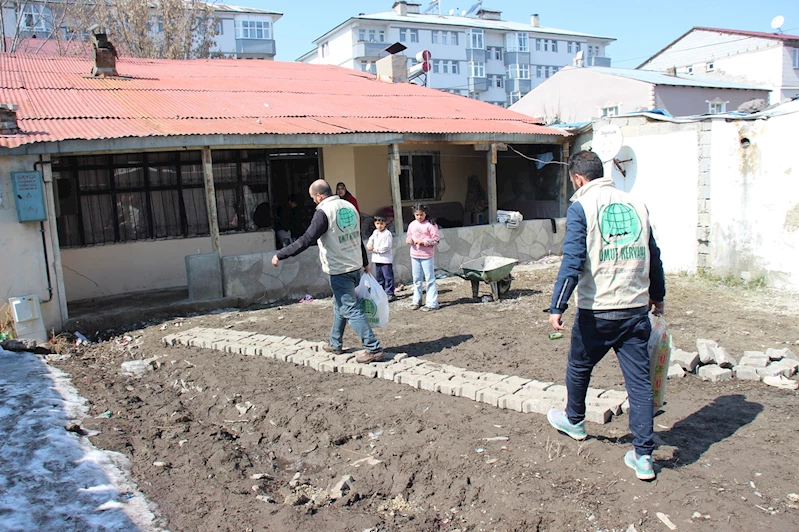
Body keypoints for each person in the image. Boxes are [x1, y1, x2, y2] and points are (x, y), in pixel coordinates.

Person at [546, 150, 665, 482]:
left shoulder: (582, 207)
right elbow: (653, 254)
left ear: (578, 179)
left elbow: (572, 261)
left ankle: (574, 420)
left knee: (579, 365)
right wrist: (658, 295)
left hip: (598, 311)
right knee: (639, 383)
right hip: (635, 310)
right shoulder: (637, 205)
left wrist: (557, 306)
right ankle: (643, 457)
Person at [271, 179, 384, 363]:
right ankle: (335, 342)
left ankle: (373, 348)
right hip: (354, 265)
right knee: (340, 305)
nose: (313, 201)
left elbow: (307, 239)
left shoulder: (323, 212)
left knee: (349, 307)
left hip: (340, 269)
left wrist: (281, 254)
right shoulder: (349, 206)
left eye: (313, 197)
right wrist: (365, 262)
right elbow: (355, 236)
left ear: (319, 196)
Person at [406, 203, 440, 311]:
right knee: (416, 279)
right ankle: (416, 300)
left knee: (429, 279)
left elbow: (436, 240)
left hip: (426, 256)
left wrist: (423, 242)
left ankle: (432, 303)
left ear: (425, 213)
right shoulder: (412, 225)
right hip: (414, 255)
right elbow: (409, 235)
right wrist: (409, 240)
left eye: (421, 214)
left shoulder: (431, 225)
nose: (419, 217)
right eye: (417, 215)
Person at [367, 215, 395, 301]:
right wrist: (369, 245)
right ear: (375, 224)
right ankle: (381, 292)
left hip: (385, 260)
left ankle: (390, 293)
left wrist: (375, 249)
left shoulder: (387, 234)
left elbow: (386, 247)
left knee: (388, 276)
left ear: (385, 224)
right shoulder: (375, 232)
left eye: (381, 223)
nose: (379, 226)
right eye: (377, 223)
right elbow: (370, 240)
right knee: (379, 277)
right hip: (377, 259)